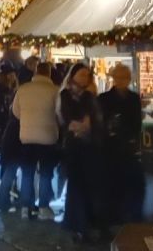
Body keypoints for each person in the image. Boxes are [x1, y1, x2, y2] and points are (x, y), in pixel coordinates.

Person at [58, 62, 105, 243]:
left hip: (89, 147)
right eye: (82, 74)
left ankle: (85, 224)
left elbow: (93, 120)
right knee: (76, 186)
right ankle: (77, 224)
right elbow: (69, 119)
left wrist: (85, 125)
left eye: (87, 75)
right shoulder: (65, 95)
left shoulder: (89, 96)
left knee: (87, 186)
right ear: (73, 76)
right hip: (74, 148)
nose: (85, 78)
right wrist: (83, 124)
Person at [13, 60, 60, 220]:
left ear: (35, 73)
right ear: (49, 73)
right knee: (46, 174)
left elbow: (16, 112)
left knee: (27, 173)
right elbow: (59, 113)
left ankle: (26, 207)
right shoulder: (54, 90)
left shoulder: (23, 89)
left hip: (26, 138)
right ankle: (43, 208)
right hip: (48, 137)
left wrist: (27, 121)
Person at [98, 63, 144, 225]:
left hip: (127, 147)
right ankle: (113, 216)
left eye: (124, 78)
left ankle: (127, 215)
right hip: (109, 148)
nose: (121, 81)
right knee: (112, 183)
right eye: (118, 77)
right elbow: (100, 123)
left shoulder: (133, 98)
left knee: (128, 182)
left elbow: (137, 123)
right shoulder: (103, 99)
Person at [0, 67, 21, 213]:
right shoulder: (4, 92)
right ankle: (3, 199)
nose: (14, 77)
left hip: (2, 134)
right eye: (12, 75)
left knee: (7, 166)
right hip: (6, 134)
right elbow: (1, 114)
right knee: (9, 166)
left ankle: (5, 197)